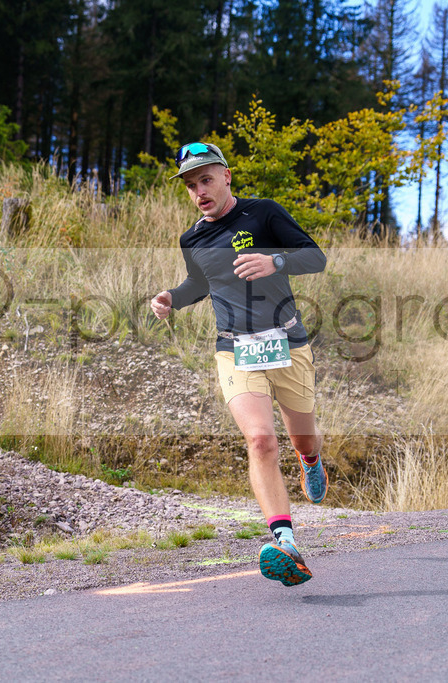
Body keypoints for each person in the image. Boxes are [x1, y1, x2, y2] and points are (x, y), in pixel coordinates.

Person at [151, 142, 327, 586]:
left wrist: (275, 261)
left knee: (301, 437)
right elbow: (199, 282)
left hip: (287, 341)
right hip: (235, 348)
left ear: (227, 176)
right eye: (191, 185)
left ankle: (310, 459)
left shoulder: (263, 213)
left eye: (205, 179)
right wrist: (173, 297)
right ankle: (284, 540)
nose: (199, 191)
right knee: (261, 440)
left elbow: (315, 256)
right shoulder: (192, 238)